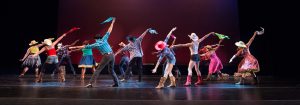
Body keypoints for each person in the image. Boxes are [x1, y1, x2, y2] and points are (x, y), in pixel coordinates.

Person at [73, 17, 119, 87]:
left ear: (96, 39)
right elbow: (109, 30)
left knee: (98, 70)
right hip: (112, 55)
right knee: (111, 70)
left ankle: (90, 83)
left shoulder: (96, 44)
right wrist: (112, 22)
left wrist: (73, 47)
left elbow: (84, 46)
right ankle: (116, 83)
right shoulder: (104, 39)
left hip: (106, 56)